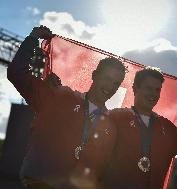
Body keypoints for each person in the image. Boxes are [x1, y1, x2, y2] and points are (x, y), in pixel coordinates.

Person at [7, 26, 126, 189]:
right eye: (107, 78)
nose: (110, 87)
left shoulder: (111, 126)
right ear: (94, 75)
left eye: (116, 83)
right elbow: (17, 73)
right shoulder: (60, 96)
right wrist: (33, 38)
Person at [103, 68, 177, 189]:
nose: (153, 94)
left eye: (157, 90)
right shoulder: (114, 117)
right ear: (135, 88)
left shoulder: (166, 127)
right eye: (148, 88)